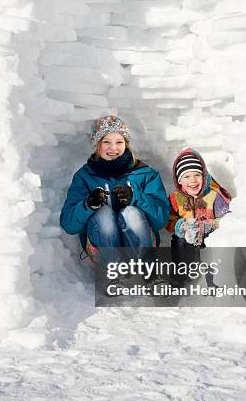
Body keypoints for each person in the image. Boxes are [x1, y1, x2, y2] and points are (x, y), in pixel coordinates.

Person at [60, 115, 170, 262]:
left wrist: (136, 198)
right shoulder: (84, 177)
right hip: (103, 248)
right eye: (106, 142)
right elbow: (69, 225)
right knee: (103, 214)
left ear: (126, 144)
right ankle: (114, 274)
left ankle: (145, 268)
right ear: (97, 145)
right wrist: (88, 205)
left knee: (131, 213)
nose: (113, 148)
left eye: (119, 142)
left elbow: (160, 220)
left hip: (140, 244)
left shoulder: (145, 174)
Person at [166, 147, 231, 287]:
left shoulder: (214, 196)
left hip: (208, 237)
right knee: (179, 241)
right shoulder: (176, 198)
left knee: (214, 249)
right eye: (187, 176)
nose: (193, 181)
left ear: (204, 175)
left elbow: (227, 219)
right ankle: (181, 274)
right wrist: (181, 226)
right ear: (179, 181)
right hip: (188, 238)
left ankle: (212, 280)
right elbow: (168, 220)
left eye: (197, 175)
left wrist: (208, 226)